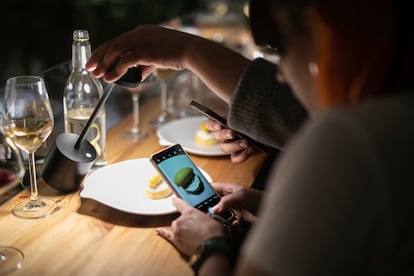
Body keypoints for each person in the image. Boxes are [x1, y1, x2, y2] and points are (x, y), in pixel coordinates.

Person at [86, 0, 414, 274]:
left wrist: (210, 248)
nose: (281, 73)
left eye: (283, 49)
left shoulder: (350, 138)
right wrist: (278, 209)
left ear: (334, 44)